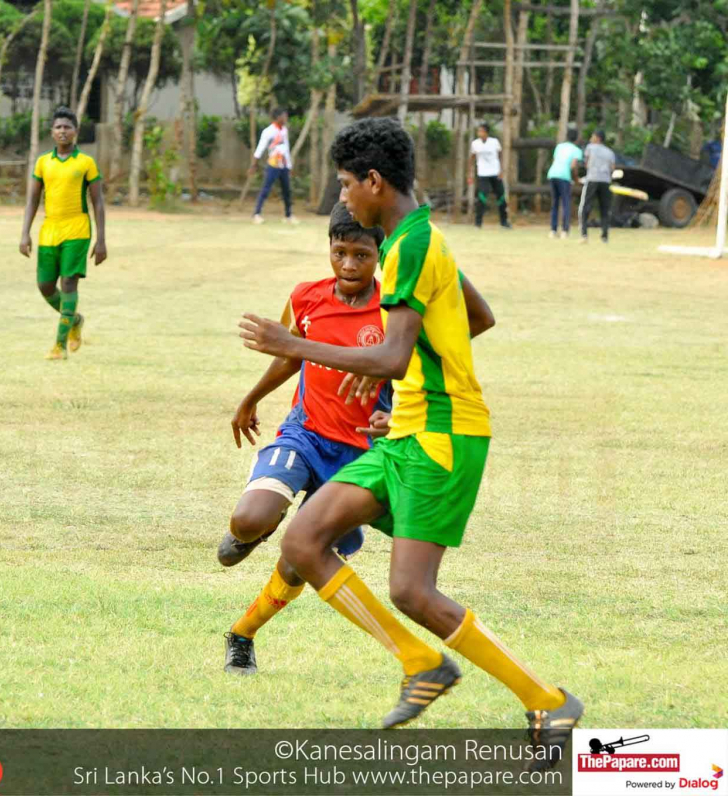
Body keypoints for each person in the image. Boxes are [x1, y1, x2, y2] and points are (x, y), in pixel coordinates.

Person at [238, 117, 583, 771]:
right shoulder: (421, 236)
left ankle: (548, 701)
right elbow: (476, 317)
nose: (343, 197)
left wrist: (294, 344)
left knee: (413, 592)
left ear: (374, 181)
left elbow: (393, 356)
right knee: (303, 539)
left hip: (444, 437)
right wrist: (416, 369)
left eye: (346, 184)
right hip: (407, 433)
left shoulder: (408, 247)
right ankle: (421, 661)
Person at [221, 203, 392, 675]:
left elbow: (411, 376)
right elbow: (290, 353)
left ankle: (242, 634)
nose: (349, 265)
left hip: (360, 457)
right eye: (340, 253)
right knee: (246, 521)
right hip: (306, 434)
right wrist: (250, 398)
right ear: (329, 248)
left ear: (380, 254)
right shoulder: (306, 297)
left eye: (361, 255)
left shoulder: (393, 312)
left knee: (299, 562)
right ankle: (263, 525)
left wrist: (393, 419)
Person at [19, 107, 108, 361]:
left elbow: (98, 202)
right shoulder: (42, 162)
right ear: (52, 132)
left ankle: (60, 346)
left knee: (68, 282)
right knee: (45, 285)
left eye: (67, 127)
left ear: (75, 131)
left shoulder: (86, 163)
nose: (62, 131)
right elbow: (32, 200)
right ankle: (75, 320)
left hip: (77, 229)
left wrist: (101, 240)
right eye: (58, 127)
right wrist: (25, 234)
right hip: (50, 229)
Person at [249, 109, 297, 225]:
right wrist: (254, 164)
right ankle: (256, 214)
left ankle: (288, 215)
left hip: (283, 165)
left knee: (287, 191)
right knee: (266, 189)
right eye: (284, 116)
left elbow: (286, 148)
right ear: (278, 117)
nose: (286, 118)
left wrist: (289, 166)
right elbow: (260, 148)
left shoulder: (284, 130)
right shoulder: (268, 131)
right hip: (273, 164)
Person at [468, 123, 511, 229]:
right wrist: (470, 173)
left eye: (481, 131)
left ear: (486, 132)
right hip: (482, 174)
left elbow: (500, 156)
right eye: (478, 131)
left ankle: (504, 222)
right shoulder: (475, 143)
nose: (479, 133)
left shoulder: (494, 142)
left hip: (495, 173)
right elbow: (471, 159)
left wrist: (502, 170)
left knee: (501, 196)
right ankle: (478, 223)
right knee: (482, 197)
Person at [580, 130, 615, 244]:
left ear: (598, 138)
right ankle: (605, 236)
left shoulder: (590, 147)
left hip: (592, 179)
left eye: (592, 136)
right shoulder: (610, 152)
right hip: (605, 181)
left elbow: (586, 163)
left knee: (586, 207)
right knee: (604, 208)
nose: (591, 138)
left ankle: (584, 234)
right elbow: (612, 168)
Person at [547, 129, 583, 239]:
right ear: (576, 139)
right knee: (566, 203)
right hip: (564, 176)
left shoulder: (559, 147)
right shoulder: (576, 150)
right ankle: (564, 231)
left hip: (552, 174)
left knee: (555, 203)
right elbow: (573, 166)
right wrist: (576, 179)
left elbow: (555, 161)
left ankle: (553, 230)